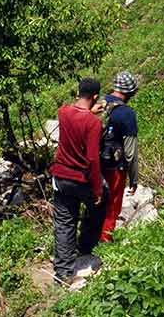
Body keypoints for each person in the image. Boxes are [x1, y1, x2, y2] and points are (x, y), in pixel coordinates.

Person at [51, 78, 108, 284]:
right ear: (94, 97)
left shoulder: (63, 112)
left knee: (64, 222)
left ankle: (64, 272)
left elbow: (77, 115)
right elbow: (92, 158)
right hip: (81, 178)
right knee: (98, 207)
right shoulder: (94, 123)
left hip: (61, 177)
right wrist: (98, 189)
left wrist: (90, 110)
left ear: (78, 92)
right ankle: (85, 248)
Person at [99, 72, 140, 242]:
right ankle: (104, 242)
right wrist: (134, 178)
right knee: (111, 206)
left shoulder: (98, 104)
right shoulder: (126, 113)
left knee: (94, 204)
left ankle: (86, 241)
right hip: (114, 168)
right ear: (129, 92)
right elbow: (130, 151)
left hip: (92, 165)